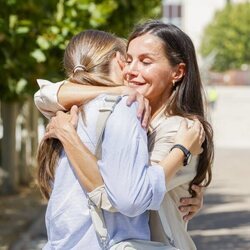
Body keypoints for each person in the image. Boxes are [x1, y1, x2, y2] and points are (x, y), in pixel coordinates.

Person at [35, 21, 213, 249]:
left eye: (145, 62)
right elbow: (44, 95)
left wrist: (70, 137)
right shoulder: (123, 109)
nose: (131, 70)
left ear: (177, 72)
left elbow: (124, 196)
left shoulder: (179, 129)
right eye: (128, 60)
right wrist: (116, 90)